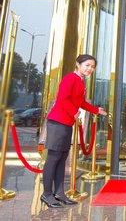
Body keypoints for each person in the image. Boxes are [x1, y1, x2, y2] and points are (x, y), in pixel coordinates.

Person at [41, 54, 107, 208]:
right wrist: (74, 112)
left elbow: (81, 102)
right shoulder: (70, 78)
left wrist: (96, 110)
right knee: (53, 158)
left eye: (92, 66)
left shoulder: (81, 81)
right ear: (78, 64)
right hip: (57, 122)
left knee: (62, 158)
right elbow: (62, 98)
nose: (90, 69)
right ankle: (47, 194)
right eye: (87, 65)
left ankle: (59, 193)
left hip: (66, 123)